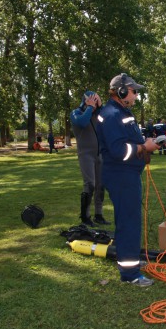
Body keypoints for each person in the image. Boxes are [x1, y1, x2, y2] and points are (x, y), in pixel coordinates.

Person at [96, 73, 162, 287]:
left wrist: (146, 145)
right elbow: (118, 150)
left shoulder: (122, 112)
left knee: (130, 220)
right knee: (128, 223)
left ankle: (131, 264)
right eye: (134, 91)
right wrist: (144, 148)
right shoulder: (112, 114)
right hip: (121, 176)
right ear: (122, 91)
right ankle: (130, 275)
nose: (136, 96)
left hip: (128, 174)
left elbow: (129, 142)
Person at [70, 91, 110, 227]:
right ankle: (85, 216)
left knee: (101, 185)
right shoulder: (76, 113)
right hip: (86, 154)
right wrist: (89, 108)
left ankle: (99, 214)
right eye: (92, 99)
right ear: (85, 100)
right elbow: (82, 123)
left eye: (96, 99)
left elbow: (109, 118)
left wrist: (100, 106)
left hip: (99, 154)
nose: (94, 102)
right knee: (90, 184)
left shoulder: (98, 115)